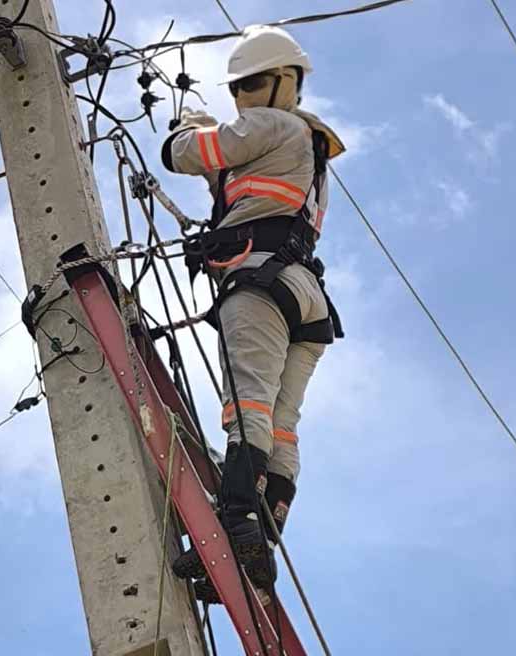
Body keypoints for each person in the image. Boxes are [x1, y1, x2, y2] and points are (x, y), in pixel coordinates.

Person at [160, 24, 345, 597]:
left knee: (248, 403)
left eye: (253, 83)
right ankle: (262, 535)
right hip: (306, 298)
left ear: (286, 83)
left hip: (260, 280)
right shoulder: (308, 149)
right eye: (238, 87)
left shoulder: (271, 123)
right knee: (281, 426)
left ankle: (237, 520)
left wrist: (186, 128)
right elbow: (231, 173)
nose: (242, 96)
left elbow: (189, 155)